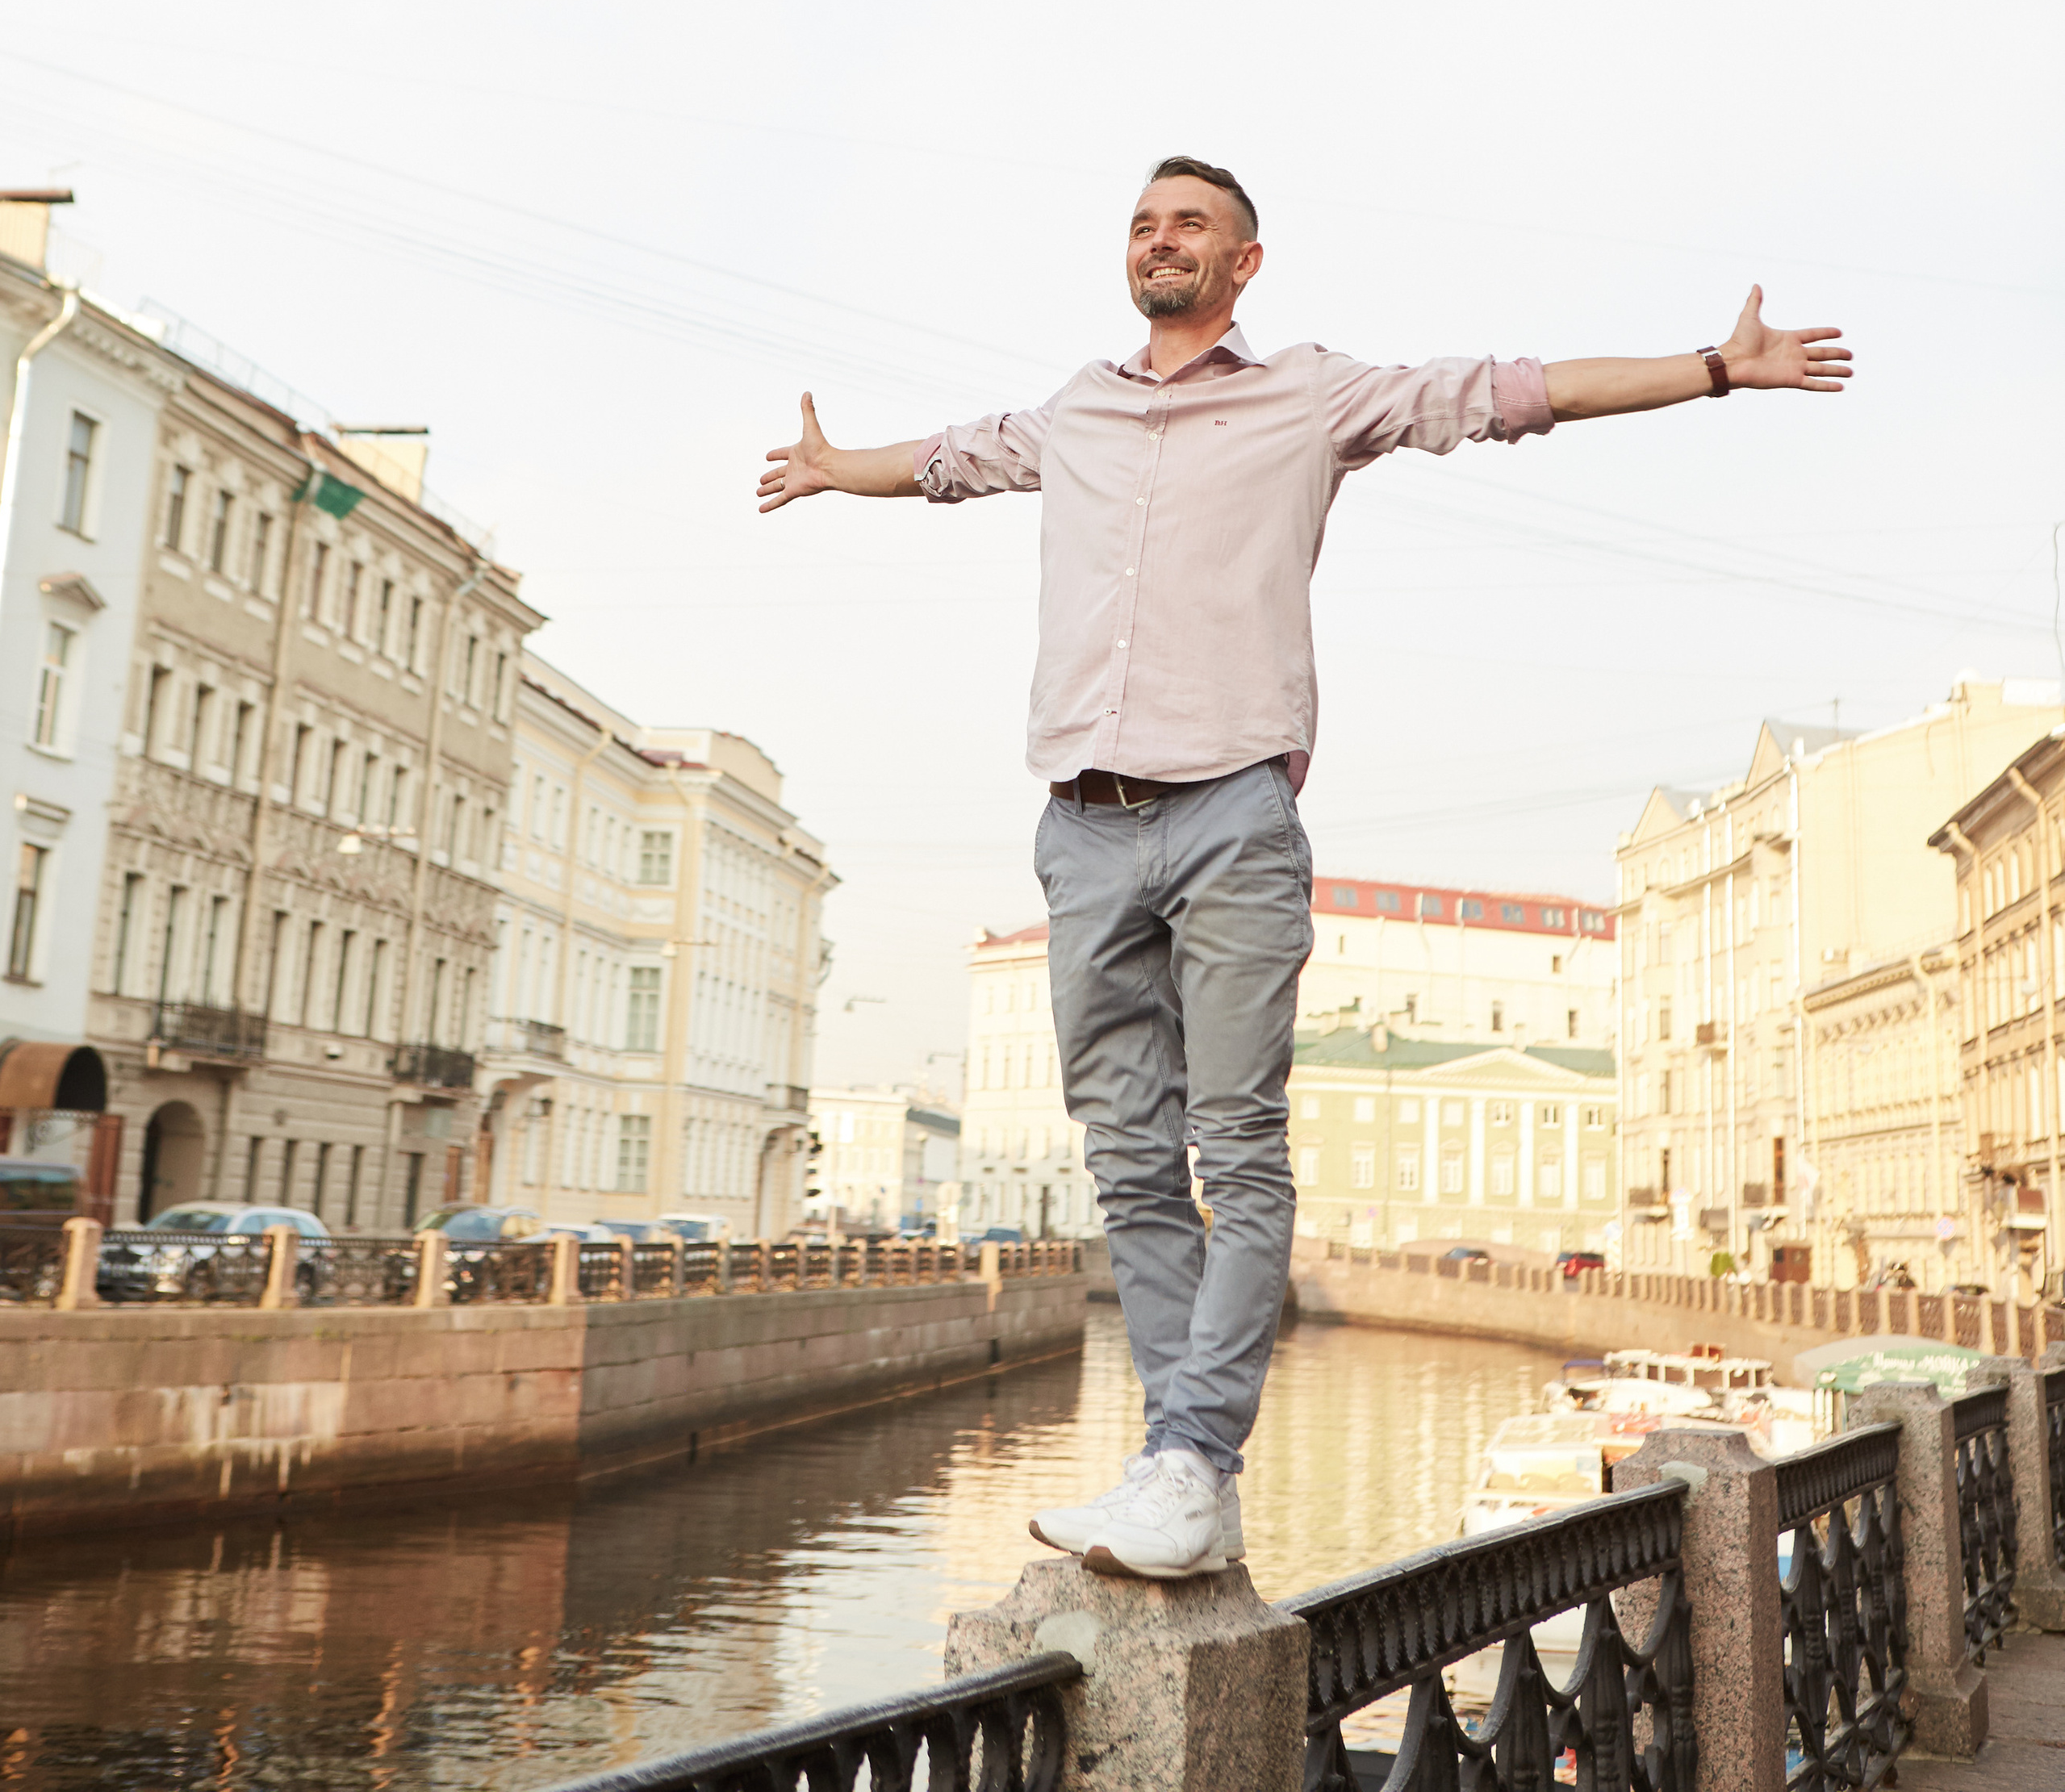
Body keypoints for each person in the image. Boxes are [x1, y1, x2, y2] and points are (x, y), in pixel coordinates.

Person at [756, 156, 1850, 1579]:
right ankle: (1175, 1473)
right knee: (1133, 1159)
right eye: (1144, 224)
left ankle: (1196, 1461)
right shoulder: (1073, 410)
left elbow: (1513, 392)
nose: (1162, 241)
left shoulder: (1310, 394)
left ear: (1244, 263)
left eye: (1190, 224)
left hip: (1230, 813)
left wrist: (1711, 367)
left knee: (1238, 1143)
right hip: (1080, 823)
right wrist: (841, 469)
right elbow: (953, 460)